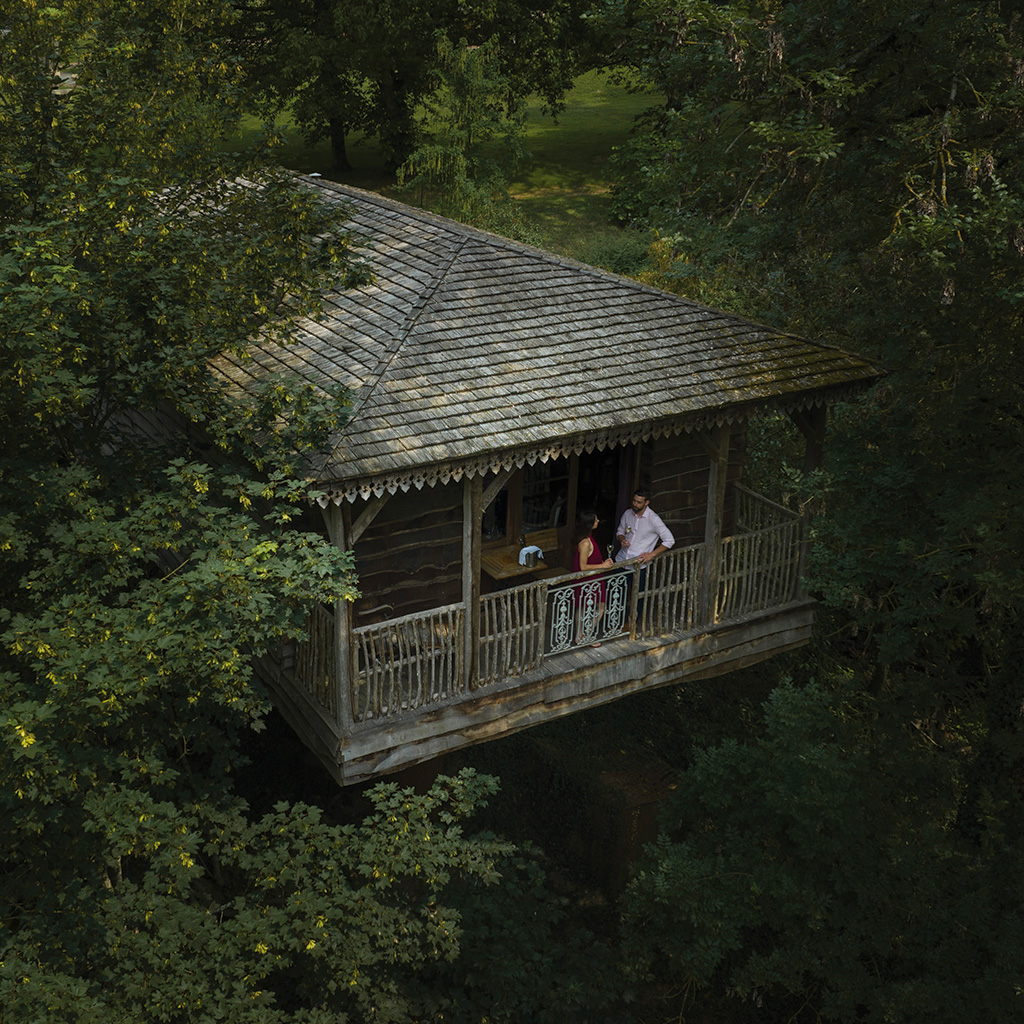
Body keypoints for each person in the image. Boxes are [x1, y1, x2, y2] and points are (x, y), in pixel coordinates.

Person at [572, 508, 614, 647]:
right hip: (588, 580)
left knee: (584, 607)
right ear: (589, 524)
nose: (598, 521)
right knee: (600, 607)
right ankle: (586, 635)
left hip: (593, 579)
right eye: (595, 519)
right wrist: (602, 566)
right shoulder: (585, 543)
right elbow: (583, 567)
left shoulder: (588, 539)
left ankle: (580, 635)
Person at [614, 487, 675, 564]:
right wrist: (622, 539)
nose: (635, 504)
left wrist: (652, 555)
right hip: (621, 559)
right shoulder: (627, 513)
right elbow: (620, 531)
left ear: (646, 502)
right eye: (634, 501)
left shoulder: (654, 519)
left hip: (639, 564)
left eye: (639, 502)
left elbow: (669, 540)